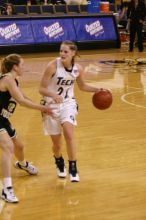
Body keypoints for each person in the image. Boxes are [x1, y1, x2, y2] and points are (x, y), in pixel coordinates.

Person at [39, 40, 102, 182]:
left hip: (68, 103)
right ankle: (59, 160)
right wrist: (53, 95)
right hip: (51, 106)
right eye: (61, 51)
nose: (62, 54)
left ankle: (73, 166)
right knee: (57, 144)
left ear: (73, 53)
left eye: (65, 51)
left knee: (68, 132)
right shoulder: (52, 66)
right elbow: (41, 89)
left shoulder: (78, 68)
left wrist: (98, 89)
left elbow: (83, 86)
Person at [0, 54, 54, 203]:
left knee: (19, 146)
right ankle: (7, 189)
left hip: (3, 119)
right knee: (8, 146)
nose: (24, 67)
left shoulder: (14, 80)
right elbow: (21, 101)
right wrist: (42, 108)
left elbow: (23, 96)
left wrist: (41, 108)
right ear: (15, 67)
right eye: (22, 65)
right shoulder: (7, 79)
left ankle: (22, 164)